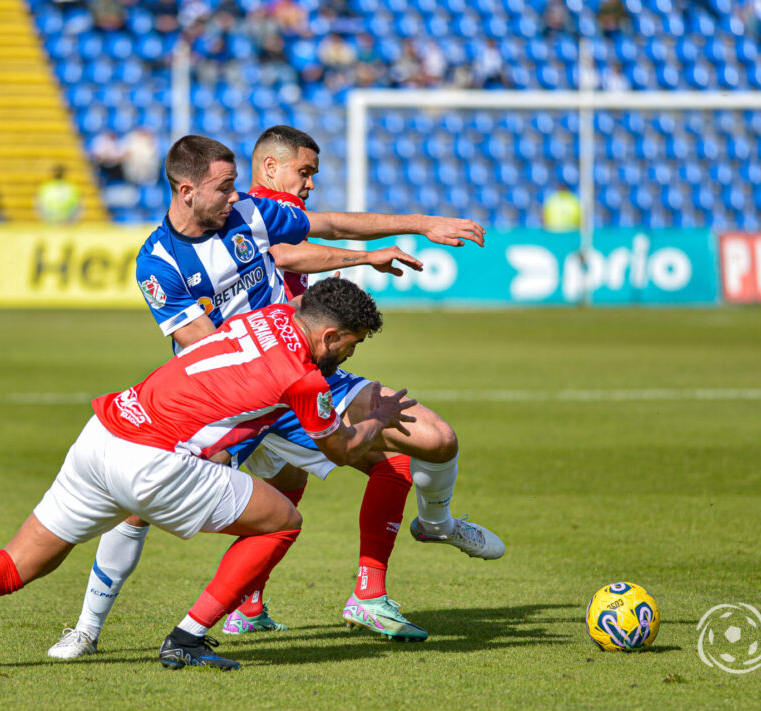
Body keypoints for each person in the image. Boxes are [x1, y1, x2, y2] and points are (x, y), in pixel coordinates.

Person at [47, 131, 503, 660]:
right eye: (226, 186)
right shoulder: (160, 263)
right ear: (190, 189)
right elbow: (206, 351)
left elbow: (316, 233)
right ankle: (86, 627)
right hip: (232, 397)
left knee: (429, 441)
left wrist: (415, 228)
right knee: (139, 507)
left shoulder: (251, 215)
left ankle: (418, 542)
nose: (235, 195)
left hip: (302, 381)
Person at [0, 278, 414, 673]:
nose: (347, 358)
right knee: (282, 522)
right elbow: (338, 448)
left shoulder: (265, 316)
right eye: (351, 347)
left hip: (102, 436)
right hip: (152, 461)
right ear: (331, 335)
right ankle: (186, 639)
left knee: (17, 562)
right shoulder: (306, 377)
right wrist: (378, 418)